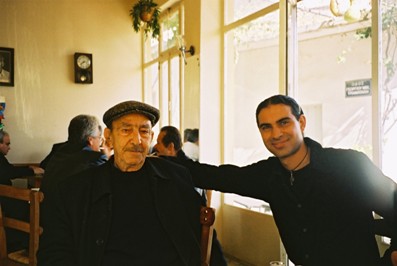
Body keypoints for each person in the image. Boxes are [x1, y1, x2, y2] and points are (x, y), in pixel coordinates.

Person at [175, 94, 397, 265]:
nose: (276, 134)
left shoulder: (348, 165)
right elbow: (215, 176)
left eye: (284, 123)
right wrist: (155, 160)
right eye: (266, 127)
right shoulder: (268, 175)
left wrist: (392, 256)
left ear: (301, 122)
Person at [38, 101, 203, 266]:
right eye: (126, 130)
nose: (137, 140)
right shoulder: (76, 190)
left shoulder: (176, 178)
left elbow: (199, 236)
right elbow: (54, 252)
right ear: (109, 138)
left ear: (151, 137)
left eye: (144, 131)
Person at [153, 125, 227, 266]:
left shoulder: (176, 170)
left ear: (170, 147)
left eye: (158, 143)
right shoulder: (184, 165)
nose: (155, 147)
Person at [40, 114, 111, 195]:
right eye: (99, 138)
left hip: (48, 206)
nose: (100, 143)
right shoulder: (95, 158)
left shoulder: (59, 151)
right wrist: (107, 157)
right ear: (90, 140)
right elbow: (107, 183)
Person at [0, 130, 44, 252]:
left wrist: (29, 168)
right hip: (3, 199)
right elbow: (9, 172)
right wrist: (31, 171)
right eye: (7, 144)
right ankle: (25, 244)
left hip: (4, 197)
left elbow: (8, 169)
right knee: (28, 209)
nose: (9, 148)